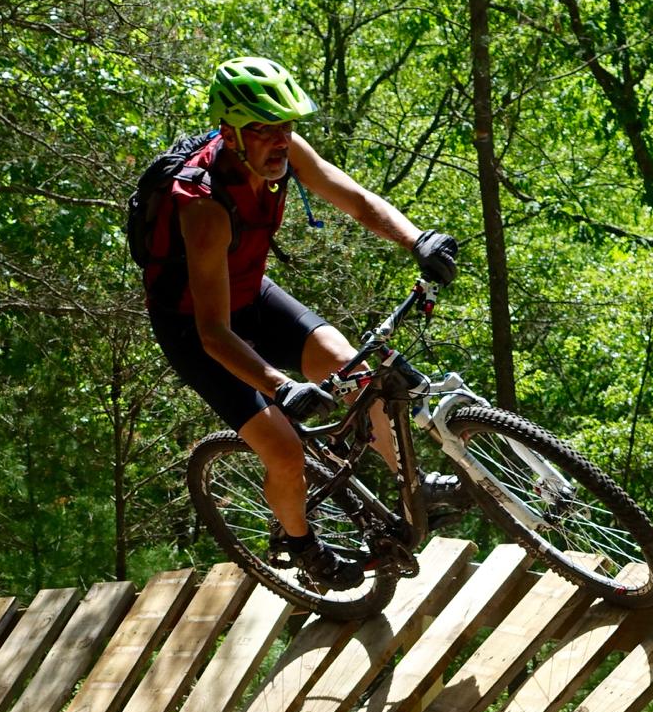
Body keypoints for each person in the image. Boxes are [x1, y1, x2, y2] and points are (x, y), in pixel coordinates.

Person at [142, 55, 464, 588]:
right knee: (285, 450)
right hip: (197, 329)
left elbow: (356, 201)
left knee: (356, 372)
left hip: (251, 293)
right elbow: (213, 333)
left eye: (286, 127)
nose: (280, 142)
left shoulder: (284, 152)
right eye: (264, 130)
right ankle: (301, 543)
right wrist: (279, 385)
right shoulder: (203, 207)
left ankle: (413, 485)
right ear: (231, 132)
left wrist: (417, 239)